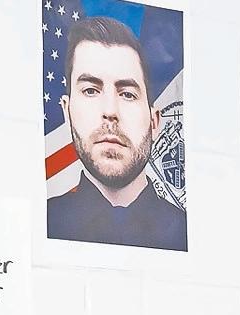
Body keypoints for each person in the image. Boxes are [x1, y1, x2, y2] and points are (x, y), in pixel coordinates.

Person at [46, 16, 186, 251]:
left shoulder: (187, 233)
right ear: (66, 112)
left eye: (127, 94)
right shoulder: (43, 222)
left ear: (154, 121)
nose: (110, 111)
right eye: (91, 90)